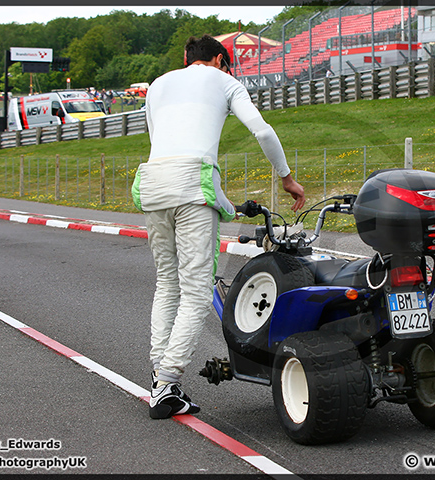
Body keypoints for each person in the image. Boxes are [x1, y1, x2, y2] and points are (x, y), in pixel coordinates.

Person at [132, 34, 305, 419]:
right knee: (196, 291)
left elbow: (165, 145)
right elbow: (261, 130)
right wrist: (286, 177)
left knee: (166, 282)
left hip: (153, 184)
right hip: (192, 184)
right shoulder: (225, 80)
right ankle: (166, 383)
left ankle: (158, 373)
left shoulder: (157, 85)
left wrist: (225, 204)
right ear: (218, 60)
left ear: (184, 58)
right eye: (228, 65)